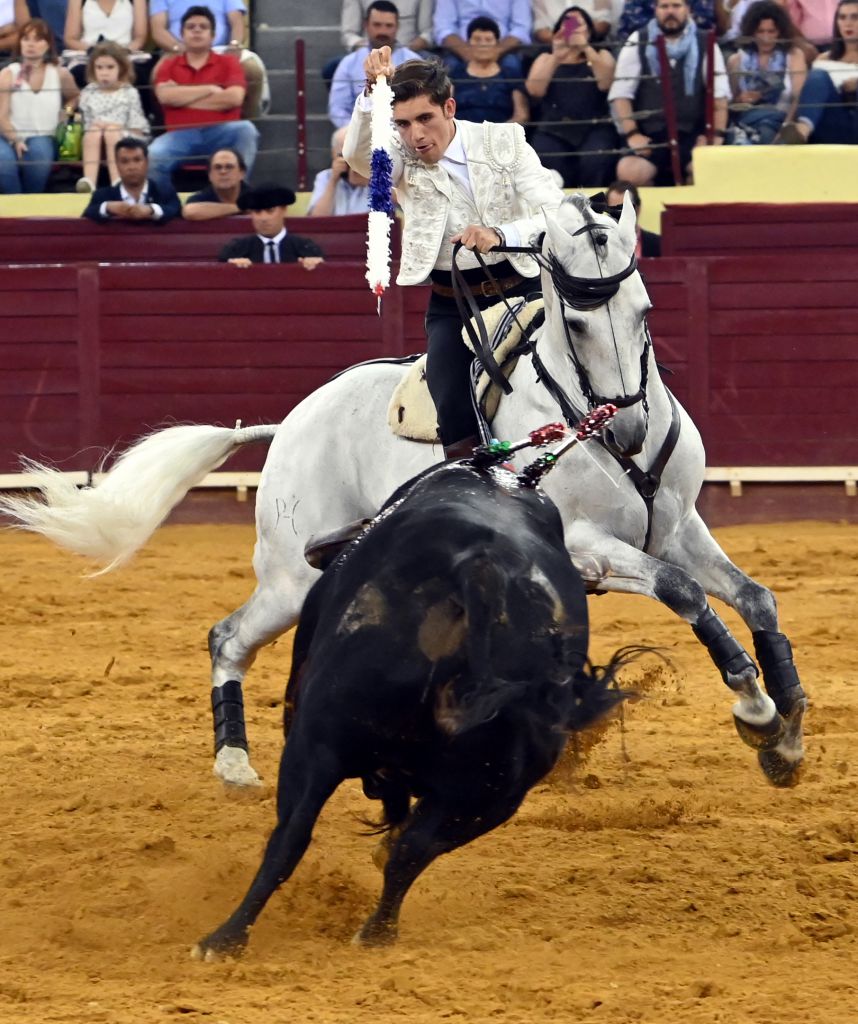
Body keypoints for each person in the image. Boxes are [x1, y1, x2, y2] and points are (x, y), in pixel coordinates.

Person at [344, 53, 565, 458]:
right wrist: (371, 93)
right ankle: (474, 494)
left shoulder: (505, 140)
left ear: (449, 107)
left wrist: (502, 233)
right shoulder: (398, 155)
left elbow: (557, 212)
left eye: (425, 118)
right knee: (453, 411)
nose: (416, 135)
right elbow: (359, 159)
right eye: (403, 124)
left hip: (527, 292)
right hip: (453, 304)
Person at [609, 0, 730, 186]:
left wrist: (715, 137)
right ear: (656, 10)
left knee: (709, 171)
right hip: (651, 137)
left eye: (676, 6)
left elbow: (719, 97)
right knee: (629, 172)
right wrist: (633, 134)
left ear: (688, 10)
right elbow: (621, 95)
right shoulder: (637, 40)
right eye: (664, 7)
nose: (670, 12)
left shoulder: (707, 42)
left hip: (693, 136)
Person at [148, 5, 259, 188]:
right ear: (182, 34)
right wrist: (210, 89)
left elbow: (234, 99)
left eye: (203, 27)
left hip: (221, 132)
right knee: (154, 153)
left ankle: (238, 197)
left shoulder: (229, 63)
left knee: (246, 130)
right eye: (191, 27)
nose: (197, 30)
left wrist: (183, 97)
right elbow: (165, 97)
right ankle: (164, 206)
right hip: (180, 135)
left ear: (213, 35)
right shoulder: (169, 64)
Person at [525, 6, 617, 186]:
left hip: (594, 126)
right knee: (546, 156)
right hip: (554, 127)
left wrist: (585, 47)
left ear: (590, 31)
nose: (573, 28)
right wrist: (556, 56)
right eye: (567, 24)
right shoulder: (546, 57)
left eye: (578, 24)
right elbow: (534, 91)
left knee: (595, 160)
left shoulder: (601, 54)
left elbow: (606, 83)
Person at [149, 0, 268, 117]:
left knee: (252, 69)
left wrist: (235, 44)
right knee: (156, 74)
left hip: (222, 49)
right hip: (177, 48)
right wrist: (180, 48)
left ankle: (248, 119)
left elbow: (237, 22)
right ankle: (163, 127)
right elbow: (158, 30)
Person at [0, 18, 78, 194]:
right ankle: (16, 207)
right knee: (3, 161)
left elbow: (74, 96)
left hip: (43, 135)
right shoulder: (7, 73)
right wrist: (15, 139)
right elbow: (1, 116)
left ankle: (31, 203)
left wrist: (66, 112)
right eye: (26, 39)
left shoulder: (60, 73)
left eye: (37, 39)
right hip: (7, 135)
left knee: (39, 156)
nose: (30, 44)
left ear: (48, 44)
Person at [775, 0, 858, 143]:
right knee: (817, 76)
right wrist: (782, 131)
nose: (848, 23)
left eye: (855, 17)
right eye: (842, 17)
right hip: (832, 123)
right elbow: (806, 96)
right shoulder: (824, 58)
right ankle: (802, 130)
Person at [329, 2, 421, 128]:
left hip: (405, 132)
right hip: (360, 131)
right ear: (366, 25)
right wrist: (356, 132)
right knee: (340, 138)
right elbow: (337, 109)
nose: (382, 31)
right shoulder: (348, 63)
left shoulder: (414, 62)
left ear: (397, 27)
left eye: (389, 26)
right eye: (377, 25)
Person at [726, 1, 806, 145]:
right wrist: (740, 100)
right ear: (751, 32)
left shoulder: (794, 55)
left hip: (780, 122)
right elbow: (729, 104)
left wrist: (785, 130)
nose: (766, 38)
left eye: (771, 31)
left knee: (766, 134)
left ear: (780, 32)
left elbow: (799, 98)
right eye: (760, 31)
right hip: (746, 121)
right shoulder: (736, 60)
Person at [76, 40, 150, 192]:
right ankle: (89, 181)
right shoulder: (88, 92)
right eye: (99, 67)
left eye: (110, 67)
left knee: (110, 133)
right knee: (94, 132)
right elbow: (86, 124)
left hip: (125, 135)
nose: (104, 72)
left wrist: (114, 126)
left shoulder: (129, 92)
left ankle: (117, 180)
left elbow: (138, 128)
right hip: (96, 137)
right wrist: (96, 126)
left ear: (121, 68)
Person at [218, 183, 326, 268]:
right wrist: (232, 269)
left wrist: (316, 266)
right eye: (257, 212)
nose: (263, 218)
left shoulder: (306, 248)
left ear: (284, 210)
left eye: (270, 210)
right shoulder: (236, 250)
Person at [447, 16, 529, 124]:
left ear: (497, 45)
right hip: (463, 136)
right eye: (477, 39)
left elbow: (521, 115)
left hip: (501, 136)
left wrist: (497, 134)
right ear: (468, 44)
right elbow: (445, 111)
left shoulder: (510, 75)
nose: (483, 44)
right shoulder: (456, 74)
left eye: (488, 40)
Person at [81, 135, 182, 222]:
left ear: (147, 162)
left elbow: (176, 211)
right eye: (125, 161)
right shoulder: (103, 196)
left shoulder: (164, 192)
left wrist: (151, 210)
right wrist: (108, 207)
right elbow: (86, 217)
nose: (132, 167)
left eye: (137, 160)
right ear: (117, 165)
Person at [433, 0, 533, 76]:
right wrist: (467, 53)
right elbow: (444, 28)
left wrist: (496, 52)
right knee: (450, 67)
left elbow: (521, 28)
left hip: (503, 49)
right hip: (461, 49)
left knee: (511, 65)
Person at [307, 126, 370, 216]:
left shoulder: (379, 176)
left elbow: (396, 202)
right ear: (333, 154)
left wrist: (370, 181)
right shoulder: (325, 177)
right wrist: (333, 181)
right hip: (333, 229)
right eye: (345, 154)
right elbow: (316, 220)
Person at [182, 145, 249, 218]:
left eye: (229, 167)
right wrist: (241, 207)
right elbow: (190, 211)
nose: (223, 172)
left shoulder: (254, 195)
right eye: (218, 167)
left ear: (242, 173)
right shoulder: (201, 198)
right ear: (209, 175)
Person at [601, 179, 661, 255]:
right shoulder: (599, 247)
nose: (621, 216)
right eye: (614, 211)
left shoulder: (660, 244)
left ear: (638, 209)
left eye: (626, 210)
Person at [616, 0, 724, 38]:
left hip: (691, 41)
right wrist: (673, 20)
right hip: (640, 43)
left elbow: (706, 23)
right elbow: (633, 21)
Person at [532, 0, 614, 42]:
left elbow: (603, 24)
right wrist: (564, 41)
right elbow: (541, 31)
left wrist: (580, 39)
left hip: (592, 43)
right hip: (554, 47)